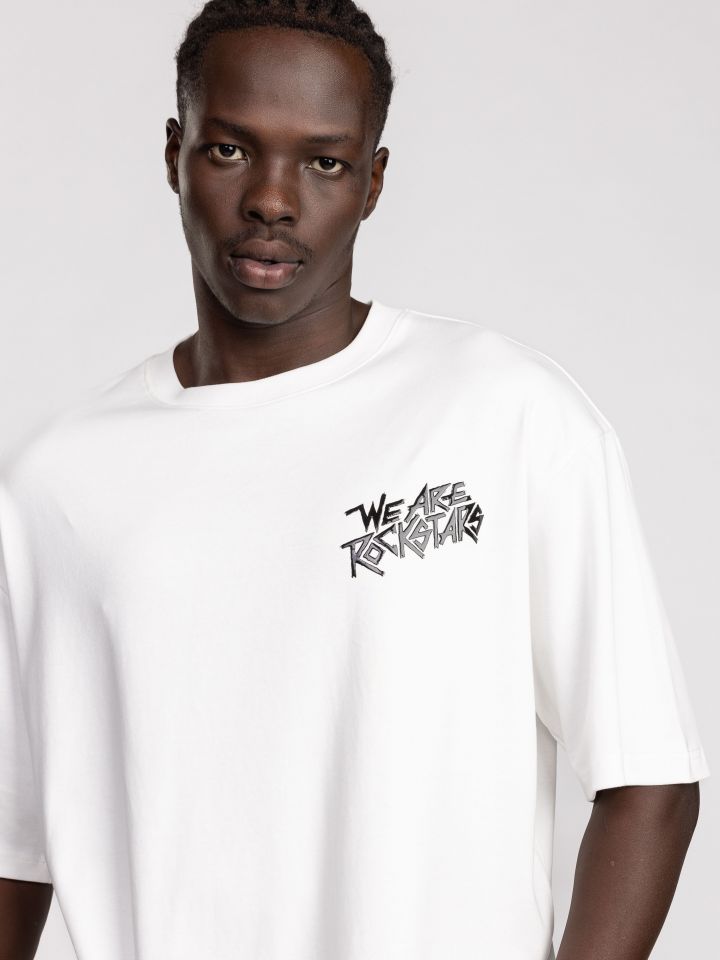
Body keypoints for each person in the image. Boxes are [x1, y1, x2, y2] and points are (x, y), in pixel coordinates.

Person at [0, 2, 710, 958]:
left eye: (324, 162)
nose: (272, 200)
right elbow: (14, 855)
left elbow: (648, 780)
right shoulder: (56, 487)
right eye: (230, 151)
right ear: (175, 154)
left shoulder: (505, 415)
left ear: (373, 181)